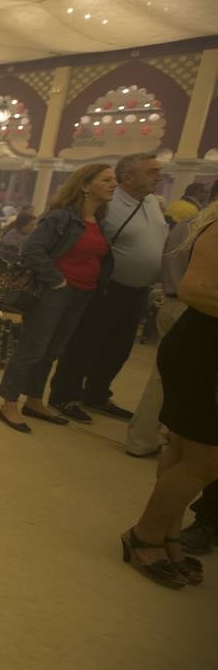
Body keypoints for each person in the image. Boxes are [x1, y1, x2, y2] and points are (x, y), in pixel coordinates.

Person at [119, 199, 218, 588]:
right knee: (207, 460)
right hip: (204, 351)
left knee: (182, 449)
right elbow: (195, 288)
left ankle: (166, 536)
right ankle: (144, 534)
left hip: (202, 349)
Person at [0, 163, 116, 433]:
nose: (113, 184)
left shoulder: (100, 222)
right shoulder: (61, 218)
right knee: (33, 348)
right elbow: (33, 249)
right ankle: (9, 402)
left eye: (113, 180)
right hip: (55, 292)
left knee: (53, 350)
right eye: (106, 179)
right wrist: (57, 279)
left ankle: (34, 399)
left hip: (83, 293)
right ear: (86, 185)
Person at [48, 153, 166, 423]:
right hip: (108, 288)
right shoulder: (108, 204)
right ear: (128, 177)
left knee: (119, 347)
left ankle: (97, 394)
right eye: (151, 172)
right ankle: (65, 394)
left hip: (138, 289)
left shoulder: (151, 202)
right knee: (86, 342)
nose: (158, 177)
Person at [126, 217, 195, 458]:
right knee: (189, 381)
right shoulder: (210, 227)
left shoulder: (186, 224)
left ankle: (141, 438)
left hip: (171, 303)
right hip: (193, 311)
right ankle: (178, 446)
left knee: (161, 376)